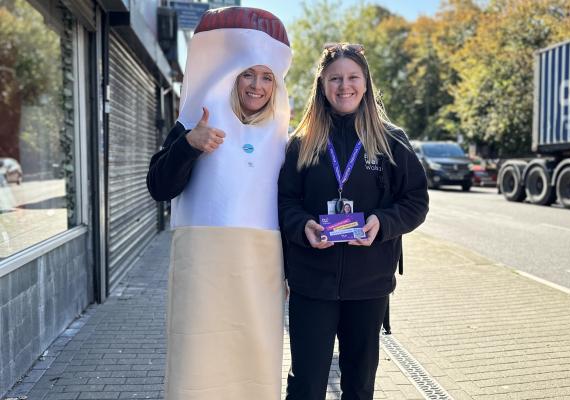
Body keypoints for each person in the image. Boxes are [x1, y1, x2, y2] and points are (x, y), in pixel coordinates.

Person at [146, 7, 292, 400]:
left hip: (260, 270)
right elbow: (159, 186)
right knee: (198, 365)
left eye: (266, 76)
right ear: (232, 75)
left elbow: (291, 206)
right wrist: (188, 146)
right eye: (248, 73)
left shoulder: (283, 136)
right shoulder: (194, 122)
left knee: (254, 368)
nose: (257, 86)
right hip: (204, 267)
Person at [278, 42, 429, 400]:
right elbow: (285, 201)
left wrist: (383, 223)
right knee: (306, 385)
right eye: (335, 78)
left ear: (366, 83)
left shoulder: (392, 140)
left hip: (369, 285)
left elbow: (416, 201)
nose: (344, 86)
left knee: (359, 387)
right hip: (311, 284)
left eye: (352, 77)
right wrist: (303, 227)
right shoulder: (302, 142)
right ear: (322, 85)